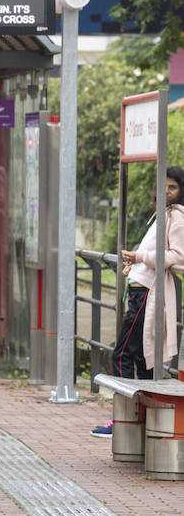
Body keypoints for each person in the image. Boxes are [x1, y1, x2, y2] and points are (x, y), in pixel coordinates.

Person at [94, 165, 184, 437]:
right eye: (163, 186)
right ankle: (139, 421)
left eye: (172, 187)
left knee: (123, 355)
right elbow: (154, 253)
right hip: (140, 288)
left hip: (147, 293)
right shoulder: (163, 215)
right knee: (143, 361)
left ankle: (125, 422)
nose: (166, 192)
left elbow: (176, 256)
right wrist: (134, 265)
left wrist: (139, 258)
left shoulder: (177, 217)